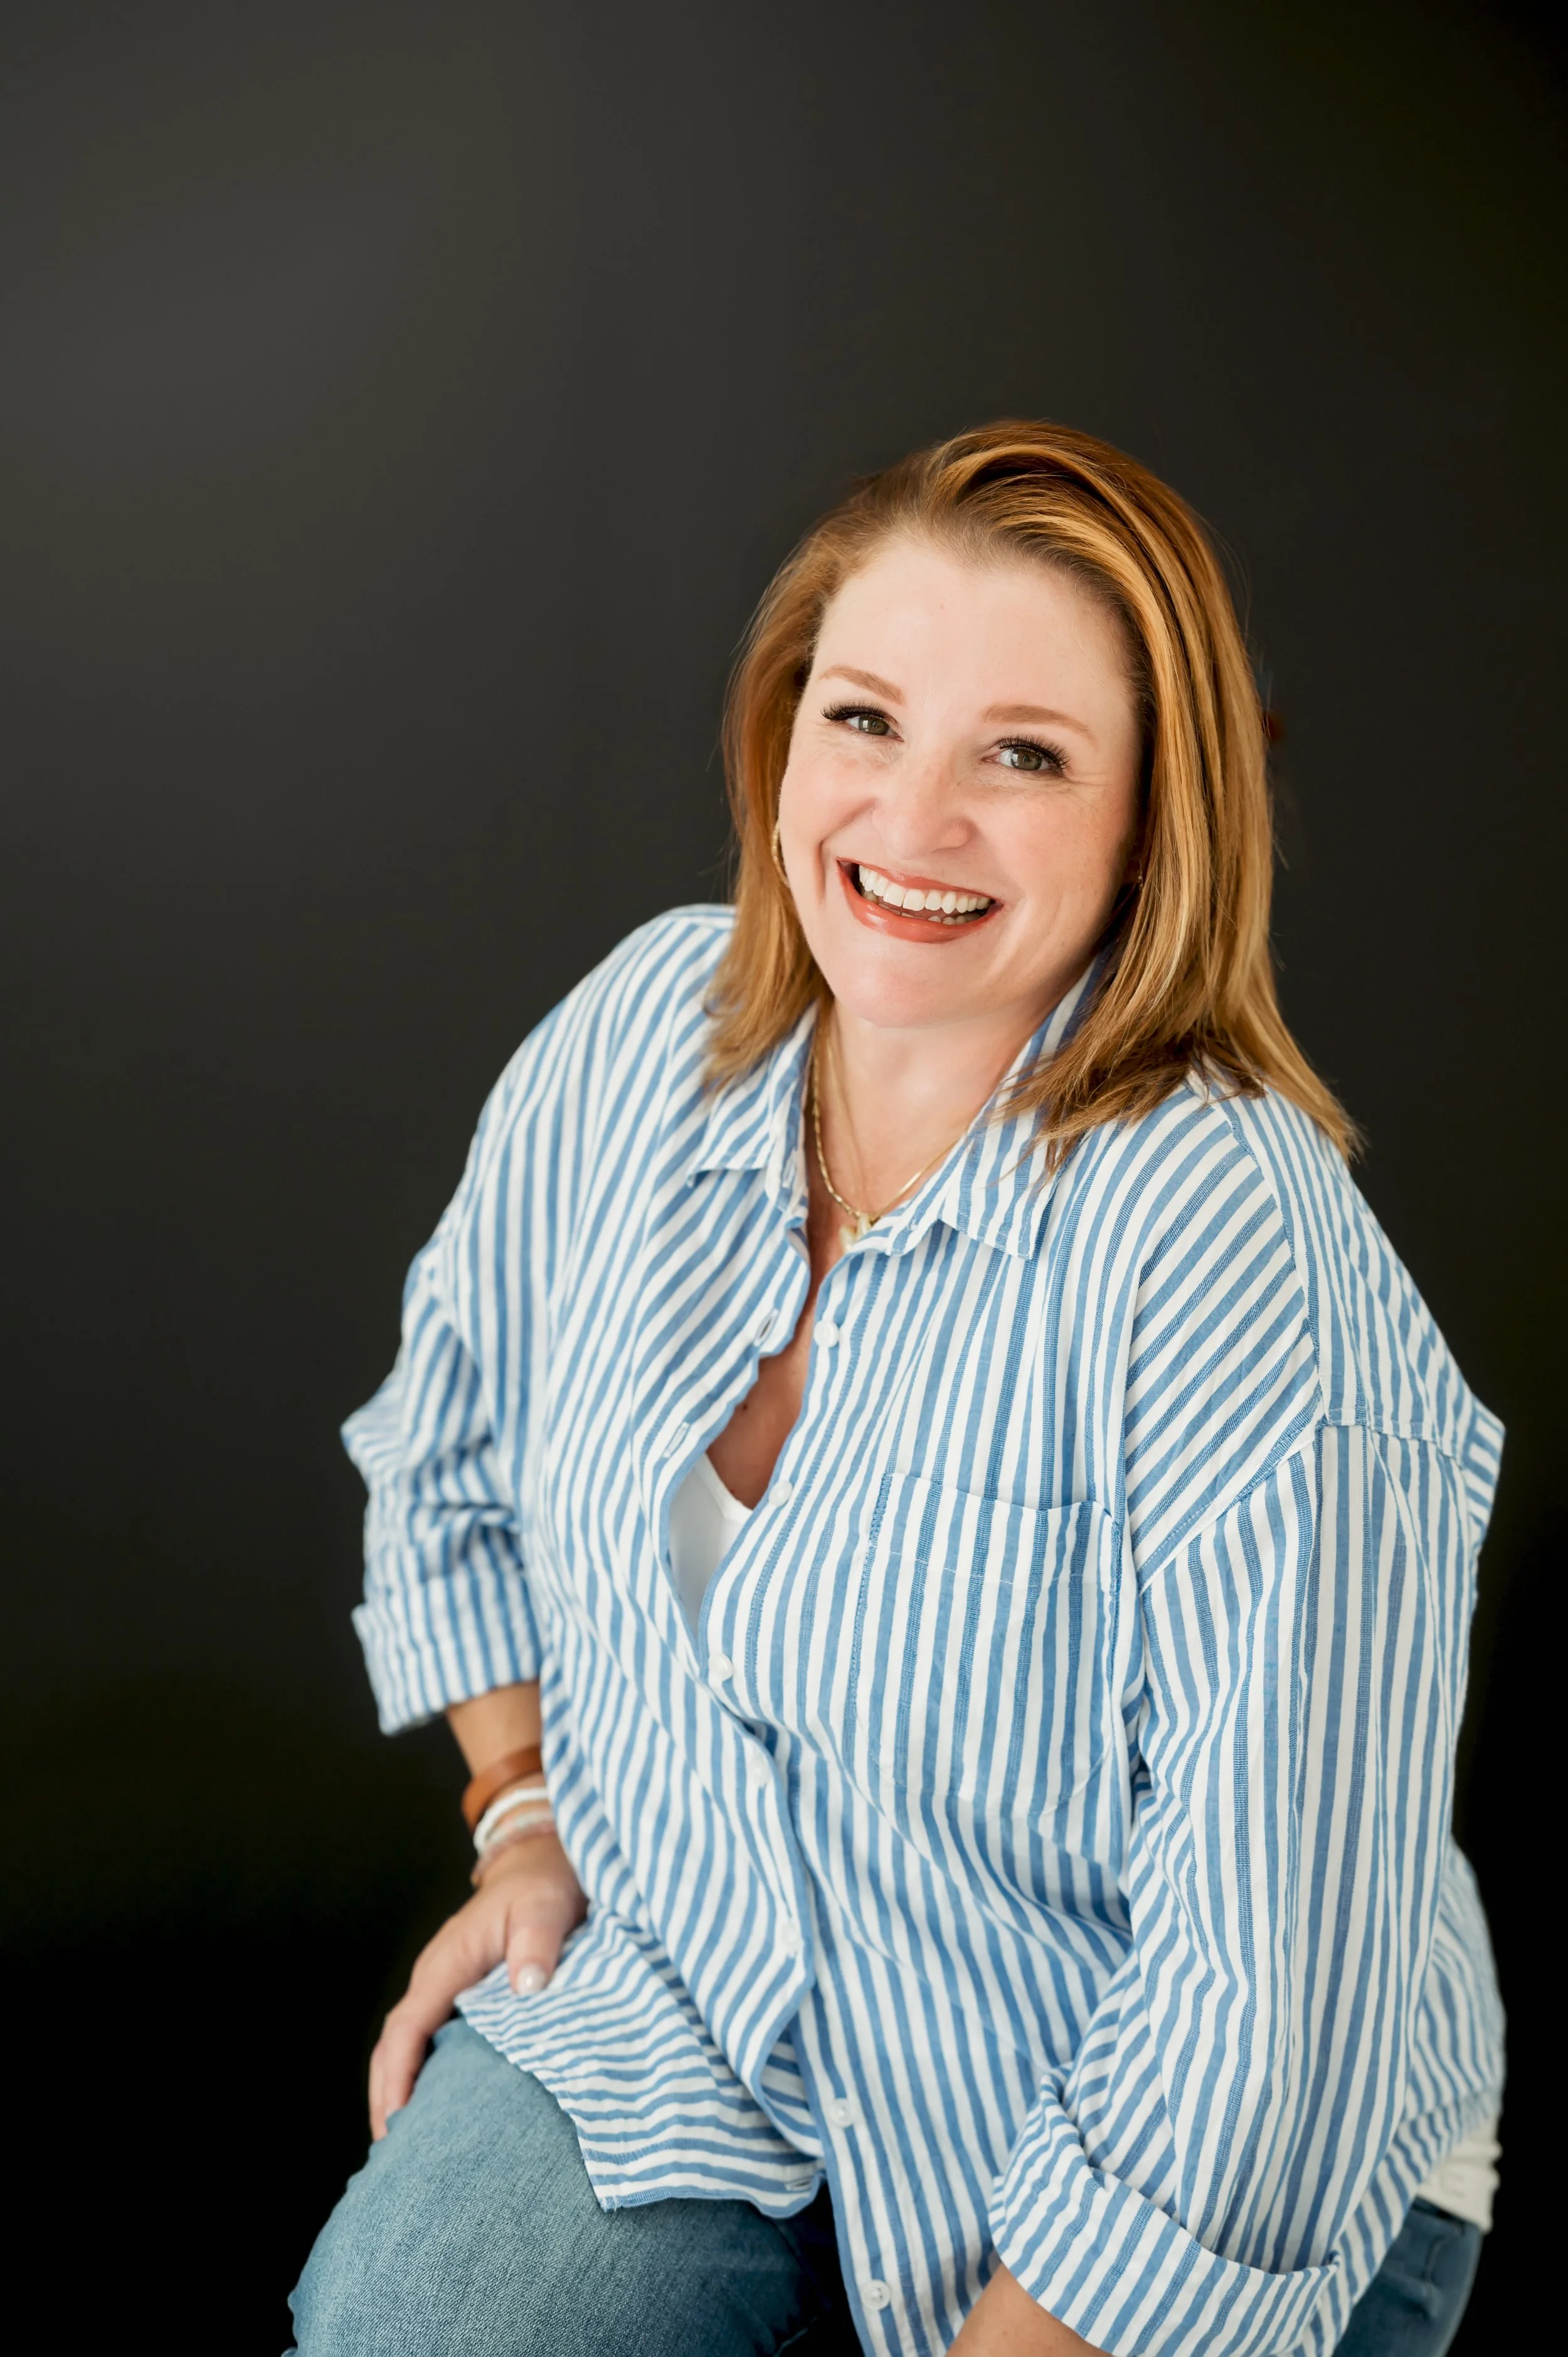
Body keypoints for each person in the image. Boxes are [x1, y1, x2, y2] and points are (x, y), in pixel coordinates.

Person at [290, 423, 1503, 2357]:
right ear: (783, 744)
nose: (911, 815)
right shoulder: (641, 1036)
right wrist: (522, 1812)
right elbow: (441, 1445)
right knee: (419, 2315)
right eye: (864, 718)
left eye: (1021, 754)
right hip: (706, 1984)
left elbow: (1276, 2006)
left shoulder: (1223, 1237)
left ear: (1146, 822)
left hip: (1162, 2125)